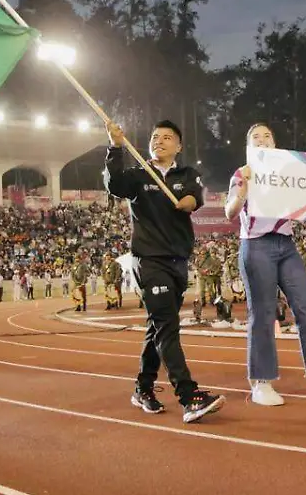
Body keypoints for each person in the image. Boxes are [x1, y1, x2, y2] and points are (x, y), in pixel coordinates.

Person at [224, 122, 306, 406]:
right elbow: (229, 212)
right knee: (262, 314)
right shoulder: (242, 173)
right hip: (256, 245)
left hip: (286, 245)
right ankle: (261, 382)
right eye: (255, 138)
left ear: (275, 144)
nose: (262, 140)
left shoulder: (291, 172)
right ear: (249, 146)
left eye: (267, 136)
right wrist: (243, 192)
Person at [104, 119, 224, 423]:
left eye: (167, 137)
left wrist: (190, 201)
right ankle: (188, 396)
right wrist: (115, 147)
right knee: (168, 326)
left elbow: (196, 197)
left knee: (157, 327)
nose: (159, 141)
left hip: (178, 260)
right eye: (155, 137)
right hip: (149, 259)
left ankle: (143, 388)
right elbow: (114, 184)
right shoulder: (137, 175)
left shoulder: (188, 175)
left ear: (178, 146)